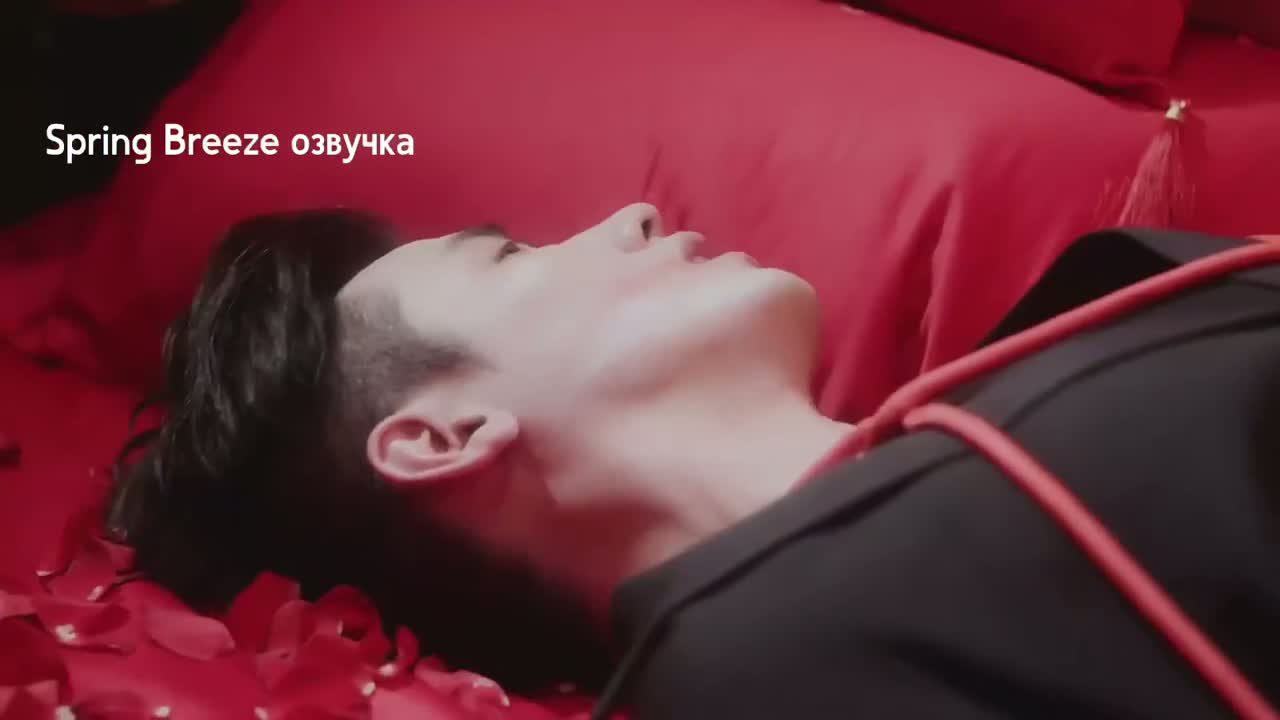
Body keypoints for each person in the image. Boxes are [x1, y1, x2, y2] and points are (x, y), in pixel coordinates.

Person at [109, 204, 1280, 718]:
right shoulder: (765, 674)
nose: (625, 213)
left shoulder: (1097, 302)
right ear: (440, 435)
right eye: (508, 257)